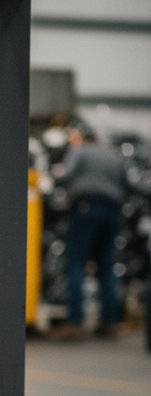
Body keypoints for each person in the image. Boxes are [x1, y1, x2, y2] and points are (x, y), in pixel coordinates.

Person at [53, 126, 129, 339]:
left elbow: (64, 174)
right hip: (112, 212)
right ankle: (110, 323)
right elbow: (127, 184)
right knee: (107, 266)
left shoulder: (80, 152)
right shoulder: (114, 156)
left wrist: (56, 172)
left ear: (82, 139)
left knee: (77, 264)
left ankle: (75, 324)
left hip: (85, 208)